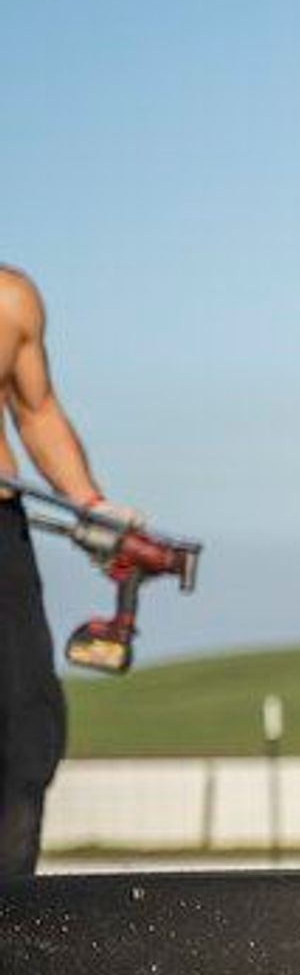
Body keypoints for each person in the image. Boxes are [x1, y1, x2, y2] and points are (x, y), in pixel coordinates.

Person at [0, 268, 114, 880]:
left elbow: (36, 411)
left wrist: (90, 504)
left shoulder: (10, 301)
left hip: (2, 536)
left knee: (25, 733)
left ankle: (14, 916)